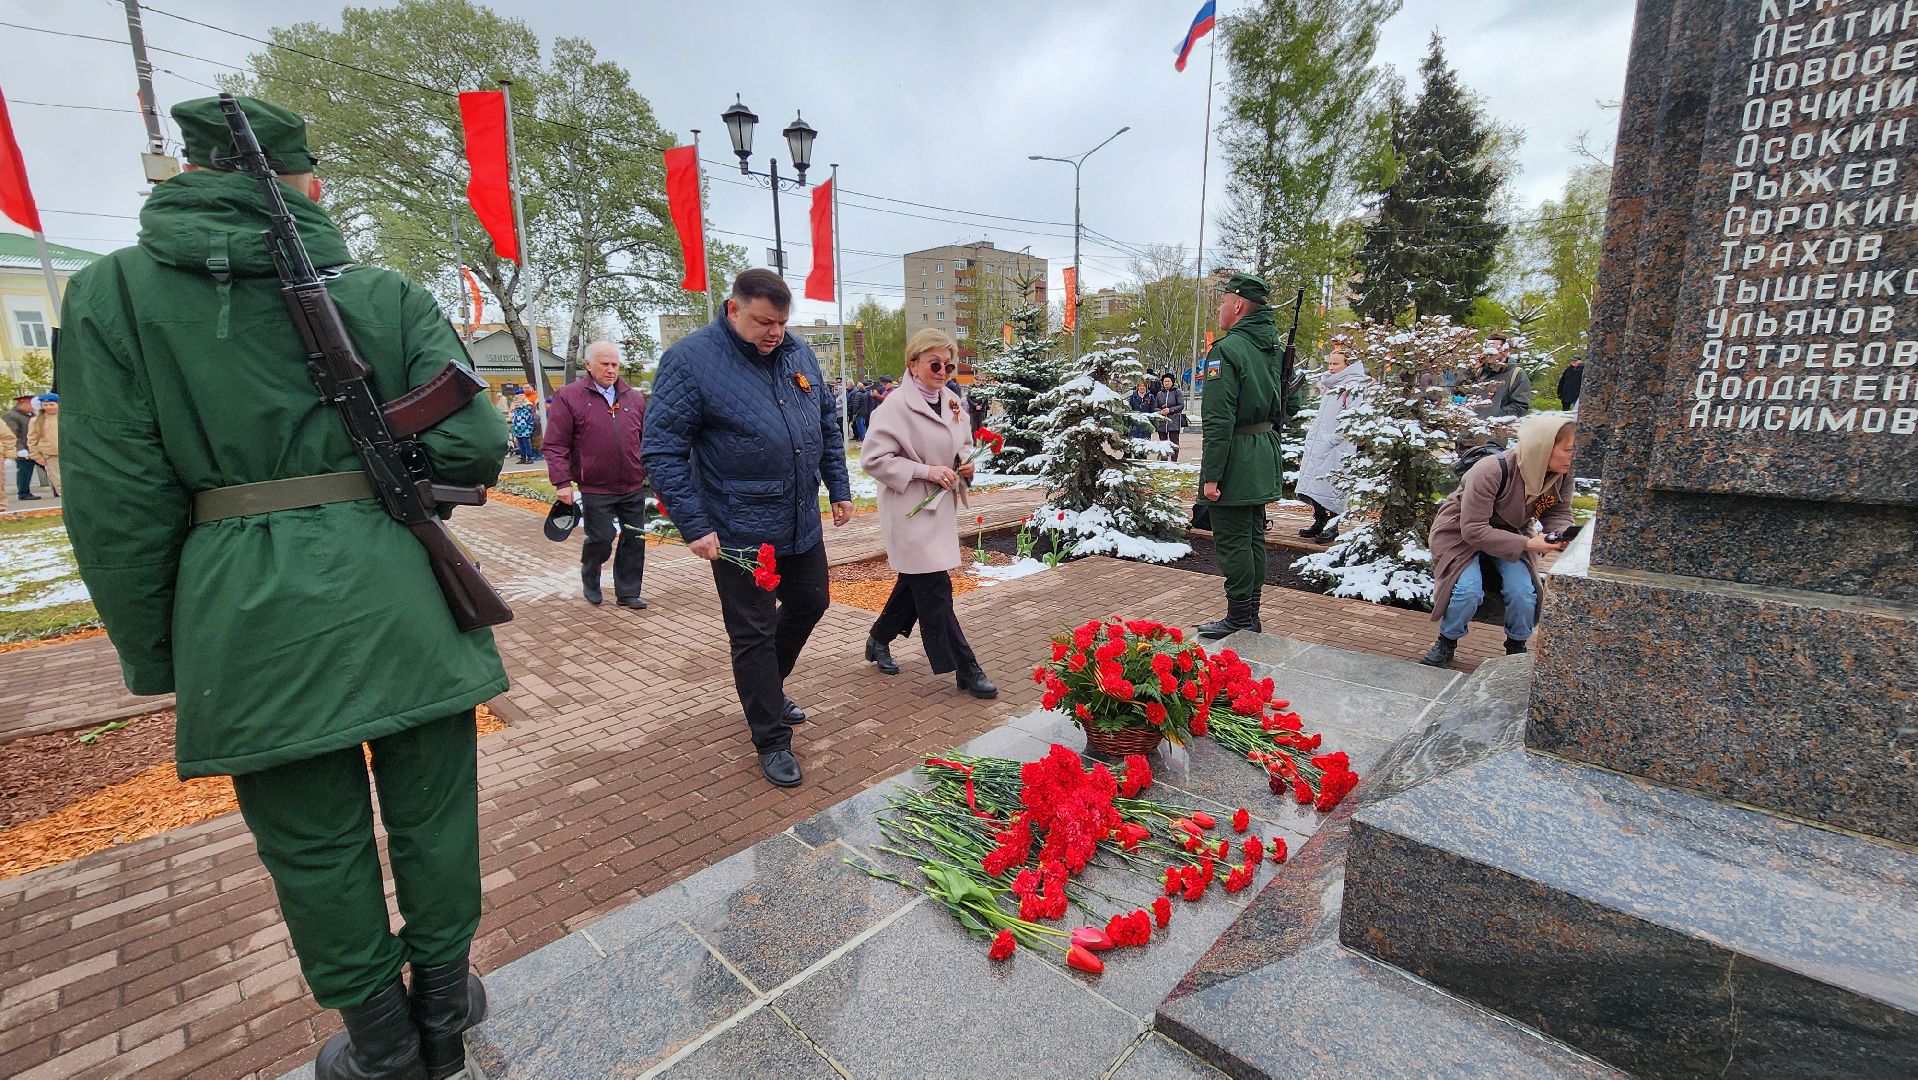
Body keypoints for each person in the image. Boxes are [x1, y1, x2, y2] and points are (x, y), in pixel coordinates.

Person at [56, 95, 506, 1080]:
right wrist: (379, 458)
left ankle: (381, 1042)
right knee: (434, 810)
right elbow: (476, 439)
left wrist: (160, 650)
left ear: (190, 174)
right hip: (401, 588)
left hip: (242, 613)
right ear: (304, 184)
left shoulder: (109, 298)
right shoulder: (381, 292)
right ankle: (442, 1009)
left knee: (312, 844)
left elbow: (116, 505)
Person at [643, 269, 853, 789]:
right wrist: (694, 524)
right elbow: (662, 449)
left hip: (800, 517)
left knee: (812, 601)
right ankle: (771, 735)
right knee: (752, 632)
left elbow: (826, 421)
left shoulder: (798, 354)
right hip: (737, 526)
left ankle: (766, 687)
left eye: (782, 322)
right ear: (734, 310)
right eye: (764, 321)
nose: (775, 332)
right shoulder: (690, 361)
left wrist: (839, 485)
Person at [859, 329, 998, 698]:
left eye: (949, 365)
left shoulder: (952, 401)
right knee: (936, 588)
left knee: (915, 583)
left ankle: (879, 638)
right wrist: (925, 471)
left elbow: (963, 444)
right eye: (935, 364)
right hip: (908, 509)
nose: (942, 372)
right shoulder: (894, 406)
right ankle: (966, 667)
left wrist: (963, 464)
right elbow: (873, 459)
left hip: (939, 506)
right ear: (913, 363)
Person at [1419, 415, 1578, 667]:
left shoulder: (1561, 475)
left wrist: (1559, 534)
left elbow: (1558, 512)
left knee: (1524, 592)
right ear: (1543, 447)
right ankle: (1446, 641)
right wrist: (1528, 544)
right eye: (1568, 449)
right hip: (1460, 533)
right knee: (1466, 589)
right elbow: (1473, 530)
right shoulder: (1491, 470)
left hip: (1511, 533)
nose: (1573, 456)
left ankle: (1516, 646)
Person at [1196, 272, 1288, 639]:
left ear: (1238, 306)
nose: (1219, 308)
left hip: (1236, 457)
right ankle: (1250, 613)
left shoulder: (1227, 350)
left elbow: (1219, 419)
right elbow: (1286, 403)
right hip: (1263, 453)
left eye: (1223, 301)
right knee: (1252, 538)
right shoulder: (1272, 348)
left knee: (1234, 540)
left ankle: (1238, 616)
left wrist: (1211, 475)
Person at [544, 340, 649, 609]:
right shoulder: (569, 396)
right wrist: (561, 482)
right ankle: (591, 571)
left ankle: (627, 592)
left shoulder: (634, 398)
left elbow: (647, 439)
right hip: (595, 486)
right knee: (601, 538)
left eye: (615, 364)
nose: (611, 370)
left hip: (633, 484)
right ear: (588, 365)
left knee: (634, 538)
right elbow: (555, 443)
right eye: (605, 364)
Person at [1295, 342, 1365, 541]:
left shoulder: (1353, 387)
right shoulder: (1330, 385)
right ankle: (1319, 520)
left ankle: (1333, 526)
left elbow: (1352, 418)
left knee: (1334, 485)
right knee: (1315, 483)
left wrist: (1331, 439)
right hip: (1321, 443)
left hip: (1337, 446)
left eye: (1336, 364)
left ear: (1348, 365)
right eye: (1330, 363)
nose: (1331, 367)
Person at [1469, 332, 1534, 427]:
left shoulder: (1517, 374)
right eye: (1488, 348)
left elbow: (1520, 406)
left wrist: (1495, 417)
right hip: (1469, 431)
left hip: (1495, 433)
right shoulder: (1478, 371)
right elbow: (1458, 391)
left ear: (1506, 351)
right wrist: (1470, 370)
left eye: (1495, 348)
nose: (1490, 352)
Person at [7, 393, 37, 501]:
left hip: (35, 448)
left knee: (50, 470)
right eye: (30, 403)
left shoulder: (31, 415)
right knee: (24, 471)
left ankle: (57, 490)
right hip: (23, 448)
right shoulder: (11, 416)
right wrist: (19, 449)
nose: (33, 406)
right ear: (22, 403)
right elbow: (12, 434)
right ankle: (23, 493)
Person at [26, 393, 58, 497]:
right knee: (59, 483)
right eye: (45, 405)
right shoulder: (36, 421)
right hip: (51, 456)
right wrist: (36, 456)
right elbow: (32, 440)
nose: (48, 407)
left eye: (52, 404)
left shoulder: (66, 418)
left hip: (70, 454)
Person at [1153, 373, 1187, 461]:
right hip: (1162, 423)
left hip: (1174, 422)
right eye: (1165, 381)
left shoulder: (1177, 392)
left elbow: (1181, 405)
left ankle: (1174, 461)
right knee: (1163, 443)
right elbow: (1155, 407)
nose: (1166, 383)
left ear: (1172, 382)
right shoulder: (1159, 394)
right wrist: (1160, 411)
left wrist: (1170, 410)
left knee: (1174, 443)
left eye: (1168, 381)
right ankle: (1164, 461)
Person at [509, 392, 537, 462]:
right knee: (520, 445)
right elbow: (514, 421)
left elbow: (529, 421)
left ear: (521, 403)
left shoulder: (525, 411)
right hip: (518, 431)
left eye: (517, 402)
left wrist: (529, 429)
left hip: (524, 431)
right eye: (515, 402)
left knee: (526, 445)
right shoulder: (515, 411)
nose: (516, 404)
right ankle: (523, 457)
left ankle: (530, 457)